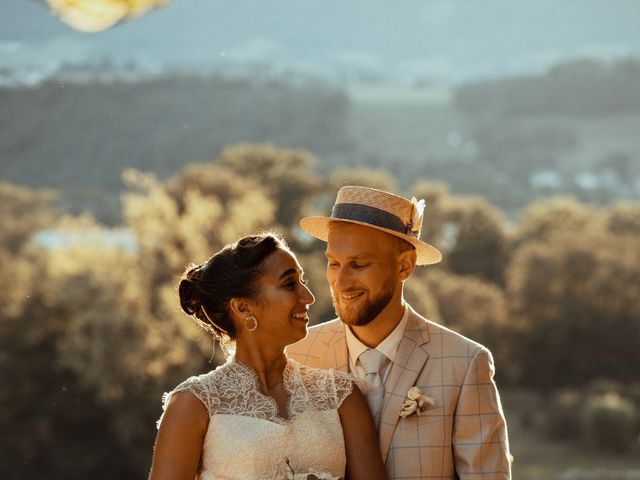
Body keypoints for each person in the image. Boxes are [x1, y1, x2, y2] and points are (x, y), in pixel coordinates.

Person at [287, 186, 512, 479]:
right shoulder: (295, 355)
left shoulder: (465, 364)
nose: (341, 281)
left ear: (404, 266)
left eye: (358, 264)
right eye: (334, 263)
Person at [148, 233, 387, 480]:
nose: (308, 297)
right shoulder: (194, 404)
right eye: (289, 284)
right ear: (243, 308)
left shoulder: (342, 396)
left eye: (302, 281)